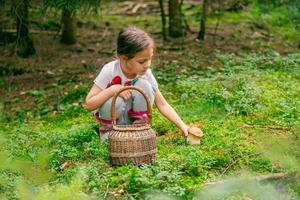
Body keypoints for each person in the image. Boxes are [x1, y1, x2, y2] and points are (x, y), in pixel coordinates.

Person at [84, 26, 203, 141]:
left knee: (145, 85)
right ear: (124, 58)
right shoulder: (110, 70)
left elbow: (162, 104)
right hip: (113, 118)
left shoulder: (146, 74)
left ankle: (139, 128)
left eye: (150, 58)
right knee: (117, 96)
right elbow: (89, 104)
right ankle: (109, 133)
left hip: (131, 118)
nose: (148, 64)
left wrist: (183, 126)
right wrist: (113, 89)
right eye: (142, 61)